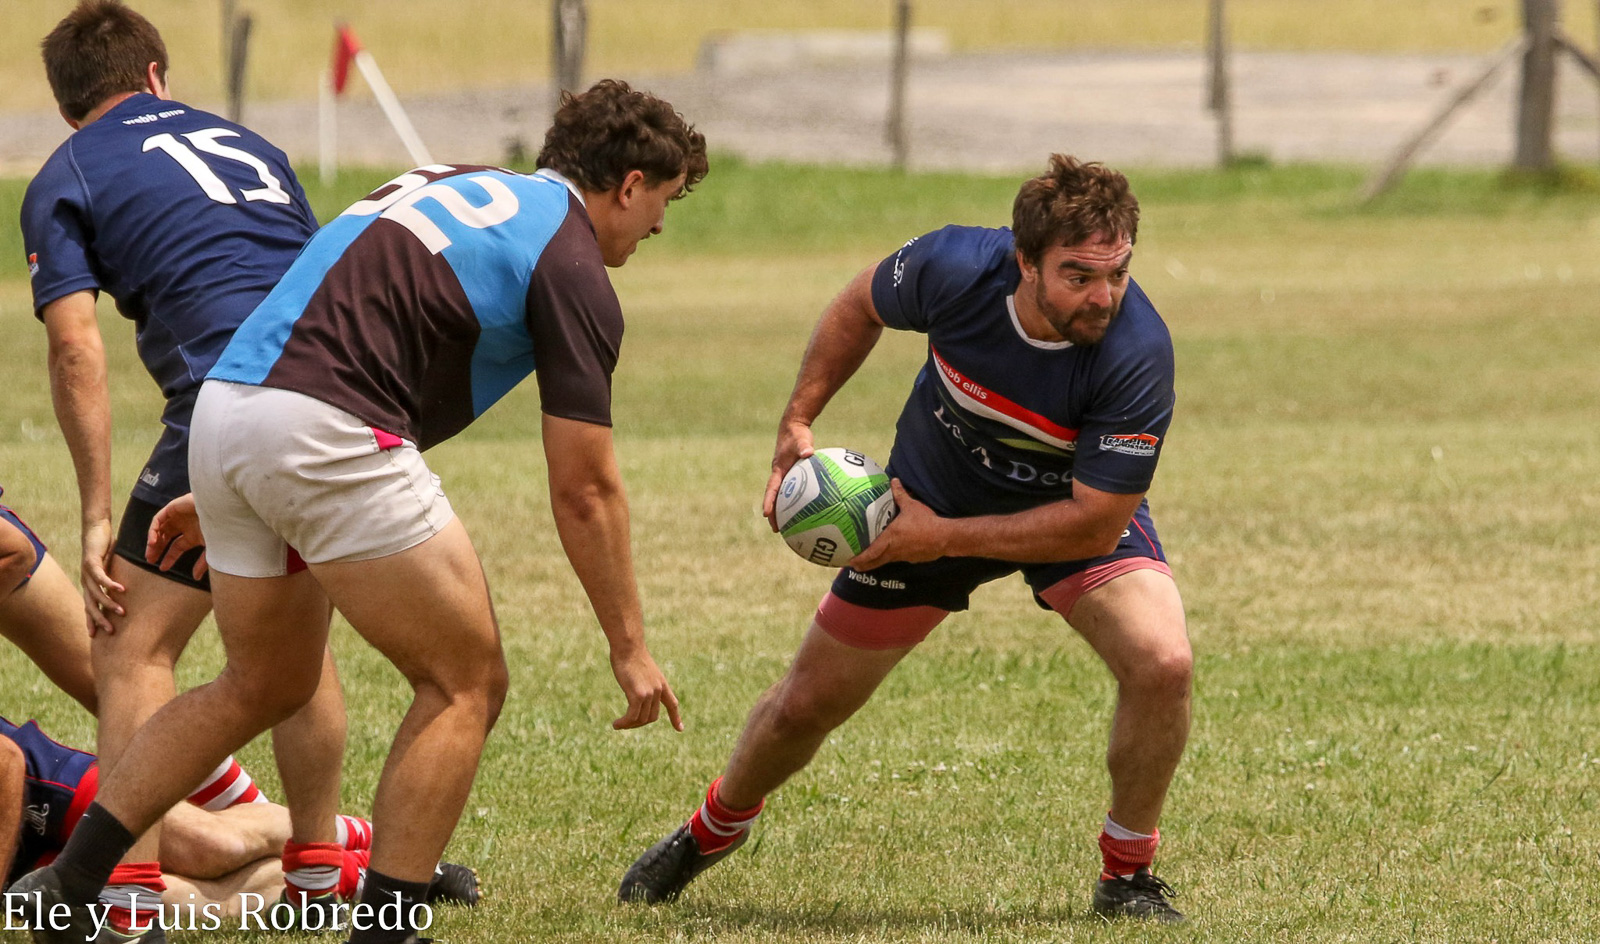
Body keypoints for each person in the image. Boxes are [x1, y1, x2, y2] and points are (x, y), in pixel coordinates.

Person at [12, 78, 704, 944]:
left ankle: (71, 885)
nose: (658, 228)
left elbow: (337, 310)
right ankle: (384, 930)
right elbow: (586, 488)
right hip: (320, 433)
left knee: (259, 683)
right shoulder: (570, 261)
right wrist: (630, 646)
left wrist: (244, 476)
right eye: (663, 203)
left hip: (228, 410)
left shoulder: (447, 181)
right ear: (630, 182)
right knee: (465, 682)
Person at [619, 155, 1192, 923]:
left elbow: (1096, 520)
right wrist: (797, 420)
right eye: (1079, 275)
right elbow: (859, 307)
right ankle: (714, 828)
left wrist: (944, 539)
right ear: (1025, 262)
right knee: (804, 706)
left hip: (1061, 515)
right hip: (926, 497)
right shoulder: (955, 266)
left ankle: (1126, 875)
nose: (1105, 296)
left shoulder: (1136, 355)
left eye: (1117, 273)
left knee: (1163, 661)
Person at [18, 2, 348, 935]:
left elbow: (76, 350)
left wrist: (91, 518)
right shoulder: (252, 144)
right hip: (342, 395)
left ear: (67, 104)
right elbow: (325, 272)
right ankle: (320, 870)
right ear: (156, 72)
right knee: (292, 635)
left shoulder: (66, 172)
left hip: (228, 400)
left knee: (131, 645)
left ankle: (126, 895)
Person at [0, 715, 480, 931]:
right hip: (19, 865)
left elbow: (6, 762)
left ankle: (402, 857)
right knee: (197, 904)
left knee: (211, 843)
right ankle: (365, 881)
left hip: (44, 790)